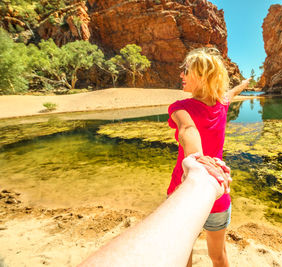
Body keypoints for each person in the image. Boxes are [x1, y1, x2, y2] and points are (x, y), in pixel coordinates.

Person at [168, 47, 251, 267]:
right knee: (219, 256)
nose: (181, 75)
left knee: (181, 255)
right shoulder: (222, 103)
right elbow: (188, 129)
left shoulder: (180, 107)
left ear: (202, 76)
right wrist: (199, 157)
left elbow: (187, 128)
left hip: (182, 192)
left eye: (186, 70)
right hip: (217, 190)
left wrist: (194, 160)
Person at [78, 153, 229, 267]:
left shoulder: (217, 109)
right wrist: (201, 175)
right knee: (208, 255)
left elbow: (187, 130)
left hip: (188, 193)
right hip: (205, 187)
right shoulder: (183, 110)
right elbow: (188, 129)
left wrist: (198, 174)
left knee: (189, 253)